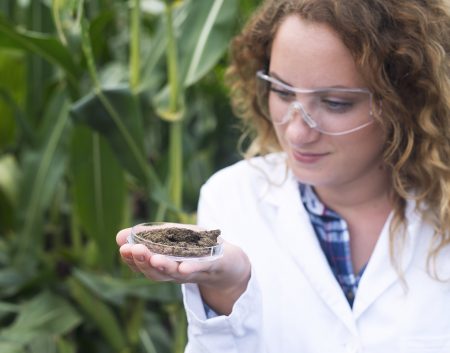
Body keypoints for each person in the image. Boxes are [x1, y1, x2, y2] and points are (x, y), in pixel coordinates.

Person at [116, 0, 450, 352]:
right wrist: (227, 289)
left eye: (335, 102)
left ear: (405, 97)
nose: (296, 133)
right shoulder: (232, 198)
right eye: (282, 91)